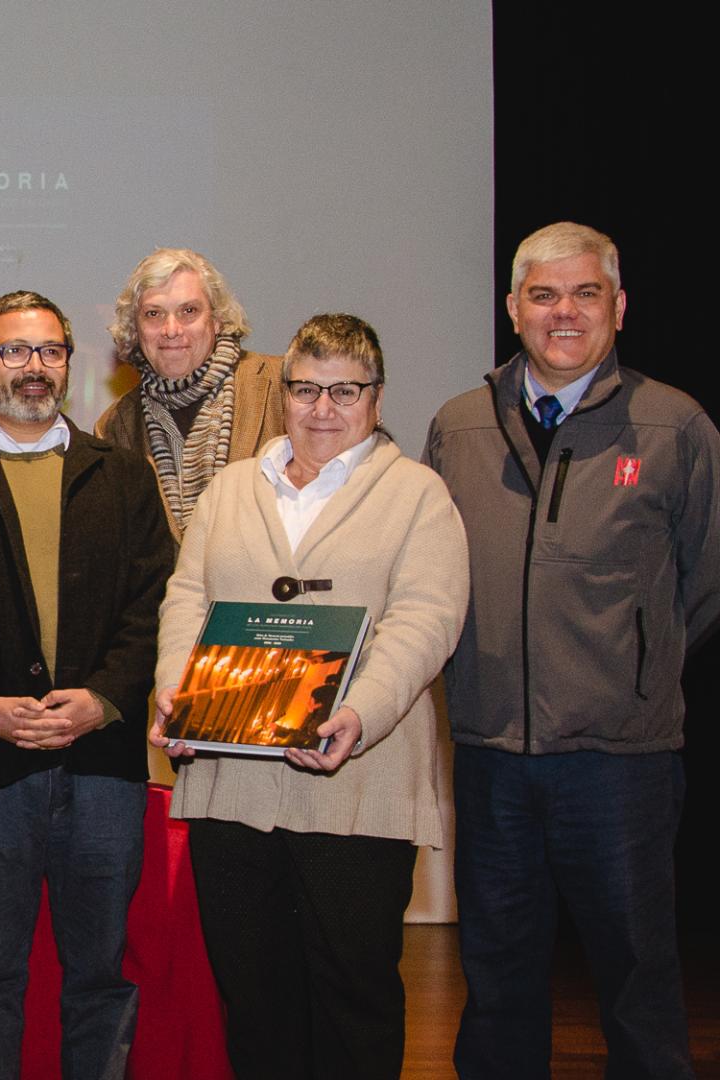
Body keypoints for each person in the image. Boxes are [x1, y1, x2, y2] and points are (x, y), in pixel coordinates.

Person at [425, 222, 717, 1079]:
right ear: (513, 308)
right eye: (544, 295)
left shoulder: (674, 424)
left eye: (585, 294)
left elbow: (701, 582)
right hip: (490, 758)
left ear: (618, 308)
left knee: (637, 978)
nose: (564, 313)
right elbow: (434, 580)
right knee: (499, 980)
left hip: (619, 764)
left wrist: (631, 665)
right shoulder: (459, 425)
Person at [149, 314, 469, 1079]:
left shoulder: (418, 495)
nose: (322, 408)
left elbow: (426, 618)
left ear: (377, 399)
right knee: (254, 1000)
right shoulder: (230, 489)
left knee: (351, 995)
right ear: (282, 393)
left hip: (359, 785)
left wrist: (357, 711)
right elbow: (186, 597)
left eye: (344, 390)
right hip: (232, 786)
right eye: (305, 388)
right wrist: (174, 690)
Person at [0, 291, 174, 1079]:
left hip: (104, 765)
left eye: (50, 352)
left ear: (70, 364)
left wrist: (103, 698)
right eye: (14, 351)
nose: (34, 368)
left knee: (100, 974)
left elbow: (155, 606)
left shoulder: (125, 477)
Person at [96, 248, 285, 540]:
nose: (171, 330)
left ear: (218, 319)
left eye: (189, 311)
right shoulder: (114, 426)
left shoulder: (281, 384)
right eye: (153, 314)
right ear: (136, 329)